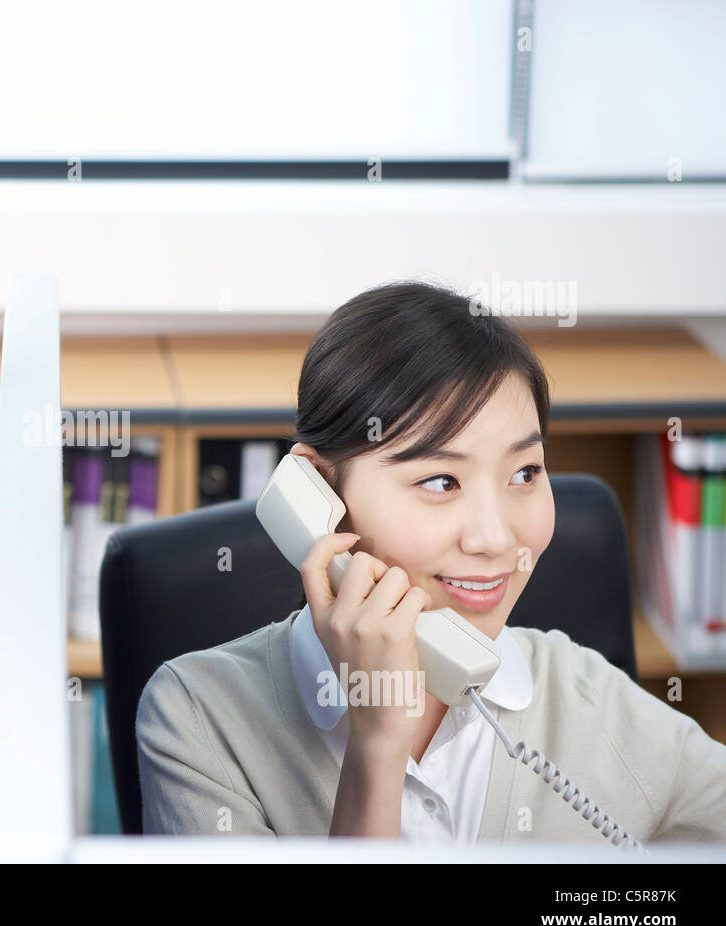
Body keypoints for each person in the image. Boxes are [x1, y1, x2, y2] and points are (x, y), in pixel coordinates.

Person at [136, 281, 726, 845]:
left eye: (525, 473)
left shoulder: (587, 696)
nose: (495, 538)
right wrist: (377, 743)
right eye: (441, 480)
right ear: (318, 495)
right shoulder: (197, 719)